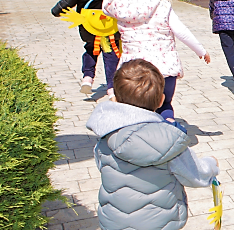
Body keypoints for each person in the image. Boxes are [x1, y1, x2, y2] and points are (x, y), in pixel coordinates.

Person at [86, 59, 219, 230]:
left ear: (116, 99)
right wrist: (212, 165)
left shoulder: (105, 133)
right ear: (160, 100)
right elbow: (196, 175)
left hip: (114, 222)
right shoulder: (168, 141)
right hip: (161, 224)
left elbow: (100, 164)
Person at [103, 0, 210, 120]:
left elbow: (106, 6)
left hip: (133, 71)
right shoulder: (161, 1)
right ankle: (169, 129)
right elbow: (181, 31)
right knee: (165, 104)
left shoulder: (118, 3)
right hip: (164, 67)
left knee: (135, 111)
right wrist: (201, 51)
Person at [51, 0, 121, 96]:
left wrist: (56, 11)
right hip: (109, 27)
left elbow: (60, 7)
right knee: (111, 54)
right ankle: (111, 88)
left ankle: (87, 78)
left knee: (90, 50)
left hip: (88, 27)